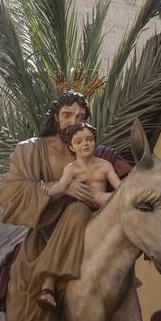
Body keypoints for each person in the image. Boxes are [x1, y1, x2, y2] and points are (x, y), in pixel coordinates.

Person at [0, 90, 131, 321]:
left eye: (80, 117)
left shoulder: (98, 155)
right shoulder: (30, 150)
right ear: (55, 117)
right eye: (67, 115)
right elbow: (9, 193)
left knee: (83, 216)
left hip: (88, 234)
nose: (73, 121)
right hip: (44, 233)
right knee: (21, 279)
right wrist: (61, 190)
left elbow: (126, 187)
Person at [37, 122, 121, 309]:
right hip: (81, 210)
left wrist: (99, 197)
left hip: (103, 211)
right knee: (76, 211)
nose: (85, 144)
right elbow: (61, 186)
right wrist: (49, 190)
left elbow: (120, 191)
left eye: (89, 140)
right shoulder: (72, 169)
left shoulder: (105, 165)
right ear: (71, 147)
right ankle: (49, 281)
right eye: (79, 141)